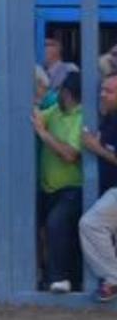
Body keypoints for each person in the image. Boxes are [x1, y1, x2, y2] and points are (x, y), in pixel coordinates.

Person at [32, 72, 85, 293]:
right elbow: (37, 117)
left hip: (72, 187)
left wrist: (44, 135)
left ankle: (61, 278)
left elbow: (70, 154)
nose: (60, 97)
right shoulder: (56, 110)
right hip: (47, 188)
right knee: (44, 229)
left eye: (64, 94)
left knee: (57, 225)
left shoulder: (81, 116)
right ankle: (50, 276)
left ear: (72, 95)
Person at [80, 73, 117, 302]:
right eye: (102, 89)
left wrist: (96, 147)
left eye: (109, 91)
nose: (102, 94)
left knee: (91, 224)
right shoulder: (110, 117)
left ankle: (113, 278)